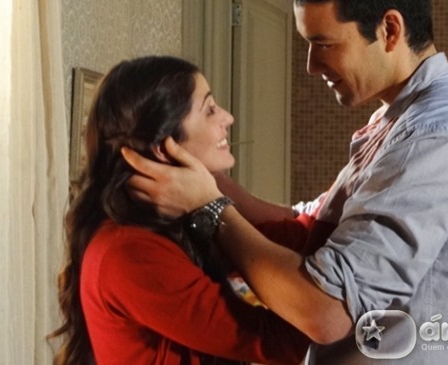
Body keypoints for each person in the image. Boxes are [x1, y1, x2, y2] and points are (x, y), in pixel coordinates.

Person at [122, 0, 448, 363]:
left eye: (324, 44)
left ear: (390, 30)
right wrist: (207, 182)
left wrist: (210, 208)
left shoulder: (437, 138)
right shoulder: (402, 120)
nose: (311, 65)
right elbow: (314, 223)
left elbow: (326, 312)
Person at [50, 56, 309, 365]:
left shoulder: (178, 218)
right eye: (209, 109)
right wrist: (214, 205)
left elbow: (301, 238)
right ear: (165, 147)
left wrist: (220, 193)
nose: (227, 118)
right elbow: (278, 342)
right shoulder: (129, 251)